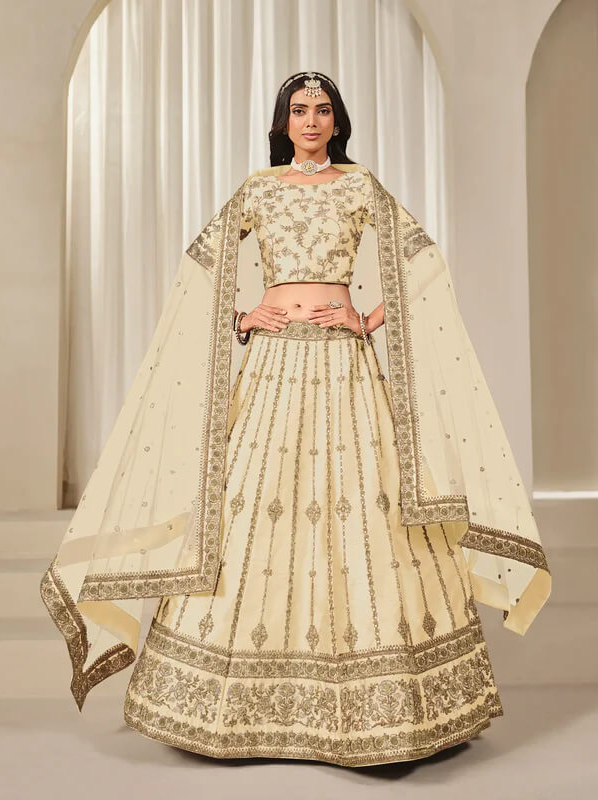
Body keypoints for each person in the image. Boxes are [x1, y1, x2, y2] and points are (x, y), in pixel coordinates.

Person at [40, 70, 551, 768]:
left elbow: (423, 264)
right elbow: (199, 271)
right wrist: (243, 317)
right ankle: (233, 708)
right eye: (299, 110)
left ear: (338, 121)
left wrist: (366, 318)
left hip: (345, 368)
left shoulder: (361, 187)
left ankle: (387, 711)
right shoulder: (259, 188)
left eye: (323, 109)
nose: (311, 120)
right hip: (273, 368)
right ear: (282, 122)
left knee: (363, 504)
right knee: (253, 505)